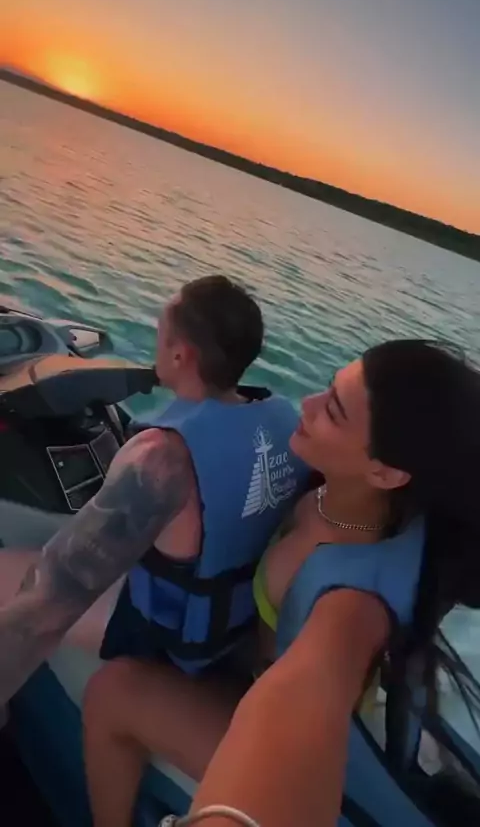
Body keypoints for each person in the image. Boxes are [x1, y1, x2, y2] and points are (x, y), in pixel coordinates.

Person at [82, 339, 480, 827]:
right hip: (242, 660)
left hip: (312, 758)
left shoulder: (352, 605)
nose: (307, 404)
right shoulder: (339, 491)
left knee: (112, 692)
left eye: (333, 411)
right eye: (328, 387)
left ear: (386, 472)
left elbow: (307, 692)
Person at [0, 274, 309, 703]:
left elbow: (54, 596)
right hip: (233, 625)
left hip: (167, 634)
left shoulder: (162, 457)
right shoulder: (284, 421)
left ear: (180, 354)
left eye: (161, 334)